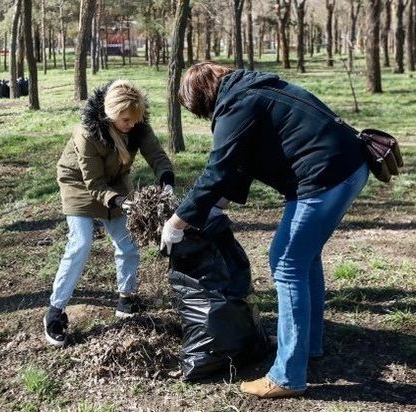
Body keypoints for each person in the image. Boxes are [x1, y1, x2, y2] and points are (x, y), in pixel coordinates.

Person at [160, 62, 369, 398]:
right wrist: (214, 207)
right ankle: (307, 346)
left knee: (285, 264)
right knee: (303, 259)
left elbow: (219, 168)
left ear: (203, 99)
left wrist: (177, 221)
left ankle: (287, 375)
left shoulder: (237, 103)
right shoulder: (253, 89)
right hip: (346, 168)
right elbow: (240, 163)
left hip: (326, 177)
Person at [44, 79, 175, 347]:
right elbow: (94, 184)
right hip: (79, 183)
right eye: (126, 120)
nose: (132, 125)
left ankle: (126, 300)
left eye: (135, 119)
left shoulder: (137, 124)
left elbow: (158, 157)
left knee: (127, 242)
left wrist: (167, 181)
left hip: (115, 181)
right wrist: (118, 202)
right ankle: (55, 312)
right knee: (80, 243)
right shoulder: (87, 132)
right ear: (111, 114)